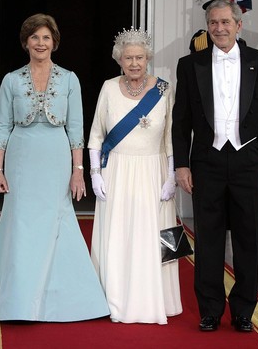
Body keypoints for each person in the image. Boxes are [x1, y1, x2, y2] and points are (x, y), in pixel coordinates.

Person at [0, 13, 109, 322]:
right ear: (25, 42)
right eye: (35, 37)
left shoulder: (70, 79)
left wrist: (78, 170)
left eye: (46, 37)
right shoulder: (11, 79)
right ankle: (17, 302)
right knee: (20, 224)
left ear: (55, 42)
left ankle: (66, 301)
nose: (40, 43)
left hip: (56, 157)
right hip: (22, 158)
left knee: (56, 223)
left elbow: (76, 128)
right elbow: (2, 127)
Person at [172, 0, 258, 333]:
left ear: (238, 25)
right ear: (208, 26)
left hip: (249, 160)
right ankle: (210, 309)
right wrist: (181, 164)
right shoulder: (190, 65)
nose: (219, 28)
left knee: (249, 238)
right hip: (207, 161)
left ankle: (244, 310)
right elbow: (181, 121)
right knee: (208, 239)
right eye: (213, 23)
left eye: (225, 22)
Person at [88, 27, 182, 325]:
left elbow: (171, 136)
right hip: (116, 170)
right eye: (128, 58)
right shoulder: (107, 87)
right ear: (119, 60)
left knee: (155, 236)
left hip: (153, 171)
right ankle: (114, 297)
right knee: (119, 234)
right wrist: (94, 173)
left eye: (140, 57)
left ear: (148, 58)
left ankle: (158, 299)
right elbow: (96, 133)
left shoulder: (164, 89)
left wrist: (171, 176)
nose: (134, 64)